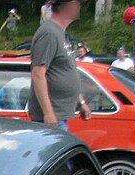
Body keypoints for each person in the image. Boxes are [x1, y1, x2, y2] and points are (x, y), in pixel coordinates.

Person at [28, 0, 91, 130]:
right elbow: (38, 74)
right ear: (65, 5)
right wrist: (48, 113)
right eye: (77, 2)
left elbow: (66, 70)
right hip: (51, 118)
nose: (79, 5)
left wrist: (81, 102)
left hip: (60, 116)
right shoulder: (49, 33)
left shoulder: (62, 34)